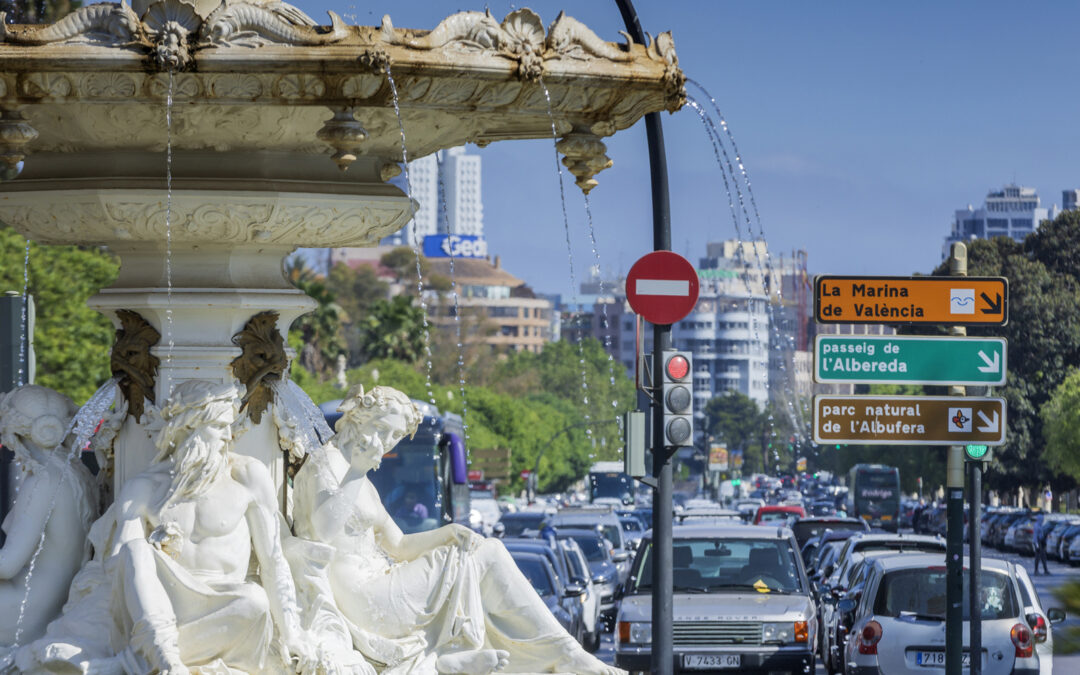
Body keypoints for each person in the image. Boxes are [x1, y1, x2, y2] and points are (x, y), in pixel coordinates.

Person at [293, 384, 625, 675]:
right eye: (381, 429)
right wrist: (356, 470)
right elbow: (322, 532)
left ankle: (465, 656)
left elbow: (399, 544)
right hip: (365, 600)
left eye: (393, 437)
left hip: (381, 582)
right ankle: (561, 653)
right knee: (487, 555)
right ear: (359, 418)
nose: (385, 443)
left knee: (479, 550)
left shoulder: (362, 480)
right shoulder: (330, 462)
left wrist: (448, 532)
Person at [109, 380, 321, 673]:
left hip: (229, 607)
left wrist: (292, 633)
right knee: (135, 549)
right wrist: (155, 546)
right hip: (163, 607)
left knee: (254, 601)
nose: (228, 436)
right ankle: (164, 656)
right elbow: (117, 565)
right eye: (218, 426)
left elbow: (273, 561)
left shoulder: (246, 477)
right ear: (189, 426)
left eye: (229, 426)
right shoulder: (143, 488)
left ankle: (148, 659)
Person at [0, 385, 97, 648]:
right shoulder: (78, 475)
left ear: (16, 432)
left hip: (23, 613)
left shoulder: (43, 481)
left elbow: (7, 565)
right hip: (55, 604)